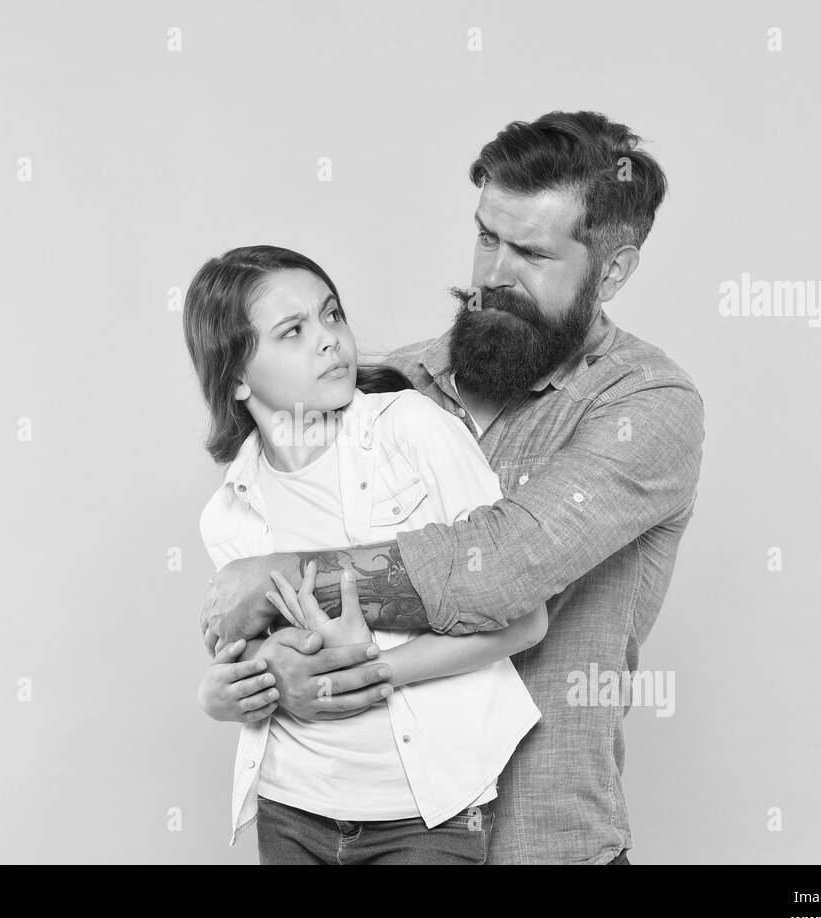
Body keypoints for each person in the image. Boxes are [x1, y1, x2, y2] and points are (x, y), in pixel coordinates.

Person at [200, 110, 706, 865]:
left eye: (531, 251)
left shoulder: (645, 405)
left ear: (613, 271)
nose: (493, 275)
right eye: (485, 237)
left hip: (546, 847)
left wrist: (280, 578)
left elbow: (499, 564)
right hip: (360, 835)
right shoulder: (384, 388)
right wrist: (267, 678)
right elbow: (266, 576)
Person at [183, 245, 548, 864]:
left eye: (332, 315)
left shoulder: (412, 431)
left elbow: (523, 619)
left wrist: (373, 664)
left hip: (423, 814)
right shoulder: (230, 512)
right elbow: (253, 655)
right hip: (289, 807)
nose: (328, 339)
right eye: (293, 332)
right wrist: (220, 693)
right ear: (237, 377)